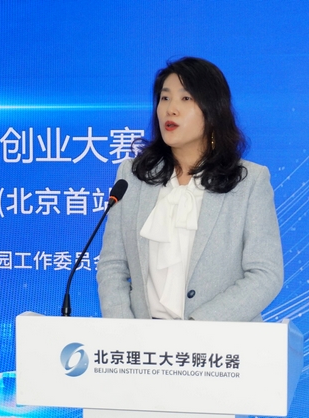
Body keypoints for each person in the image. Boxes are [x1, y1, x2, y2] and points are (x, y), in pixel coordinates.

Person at [97, 57, 283, 321]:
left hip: (218, 340)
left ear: (213, 110)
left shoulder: (249, 181)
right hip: (141, 342)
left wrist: (196, 330)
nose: (170, 109)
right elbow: (112, 265)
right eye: (164, 98)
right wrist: (125, 331)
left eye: (185, 99)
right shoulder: (133, 175)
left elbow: (266, 274)